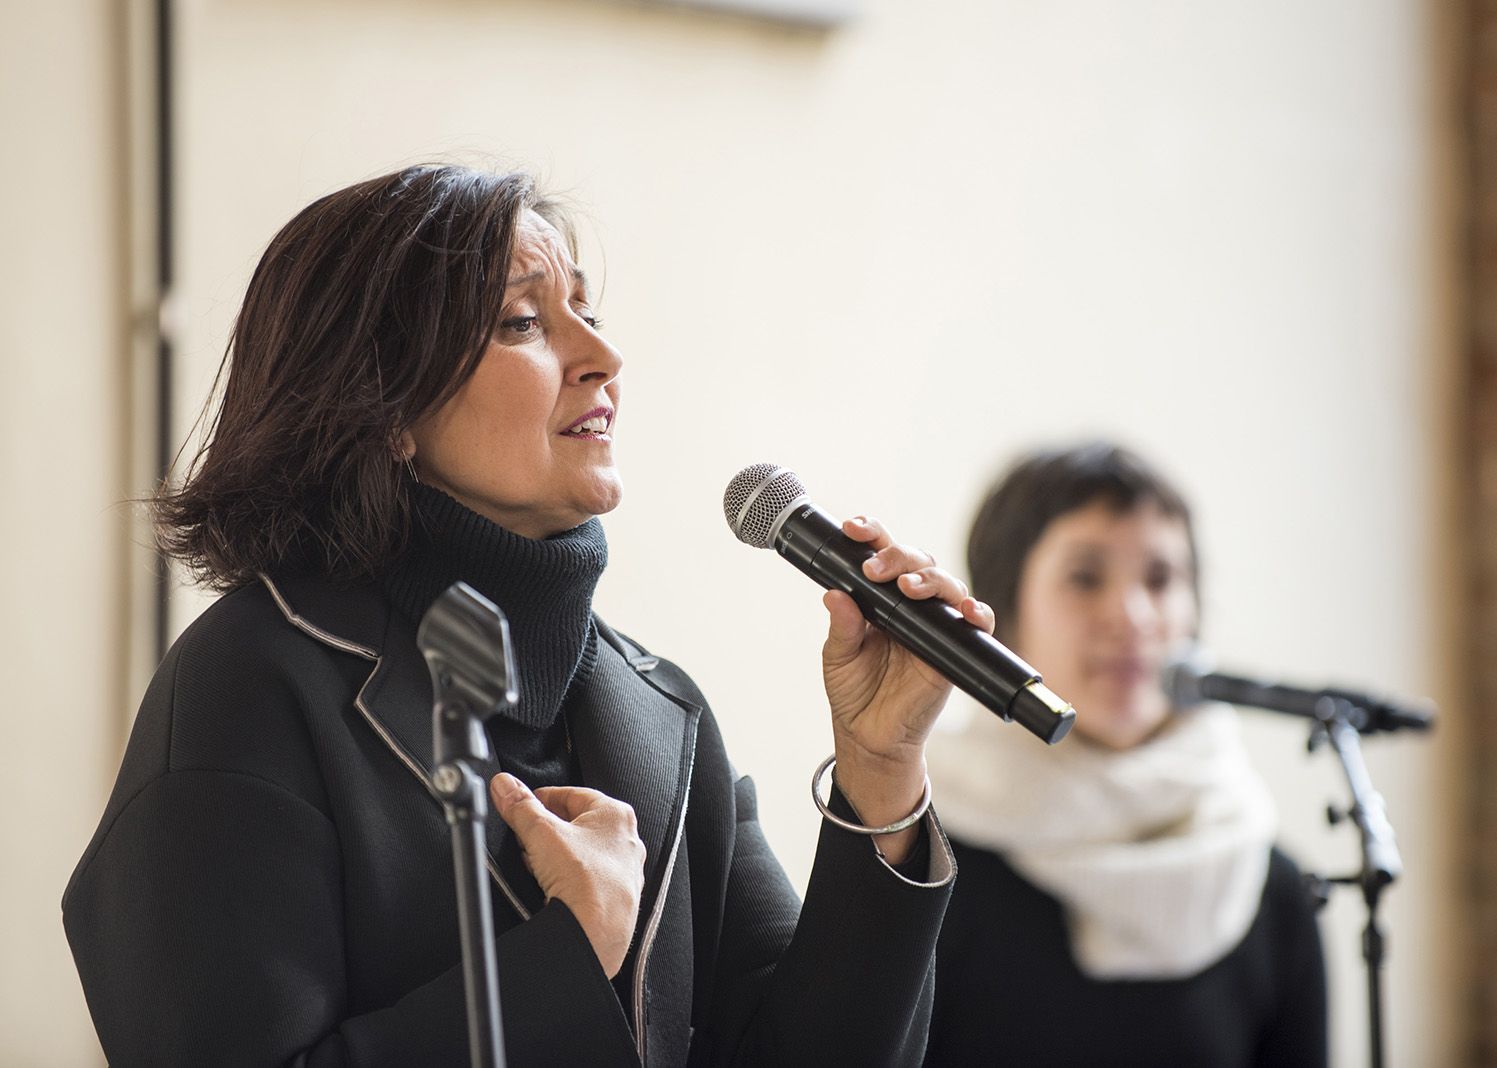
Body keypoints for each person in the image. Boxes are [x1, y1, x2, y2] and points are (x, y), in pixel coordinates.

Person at [61, 164, 991, 1066]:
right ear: (383, 405)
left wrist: (879, 771)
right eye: (522, 322)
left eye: (587, 312)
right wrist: (566, 956)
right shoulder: (249, 684)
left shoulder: (664, 714)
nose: (604, 359)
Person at [922, 443, 1327, 1068]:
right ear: (1003, 615)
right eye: (1085, 578)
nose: (1133, 616)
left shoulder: (1266, 885)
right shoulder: (924, 873)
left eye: (1161, 579)